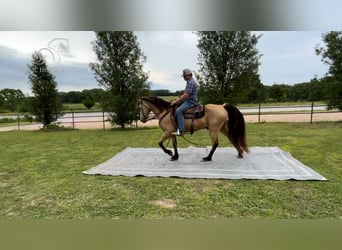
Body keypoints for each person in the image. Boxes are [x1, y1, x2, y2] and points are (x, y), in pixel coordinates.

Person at [171, 68, 198, 136]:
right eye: (184, 76)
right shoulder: (189, 82)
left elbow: (186, 95)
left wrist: (176, 101)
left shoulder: (191, 82)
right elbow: (185, 94)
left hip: (191, 102)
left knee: (178, 111)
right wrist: (178, 99)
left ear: (189, 75)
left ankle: (181, 130)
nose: (184, 77)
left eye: (185, 76)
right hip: (188, 100)